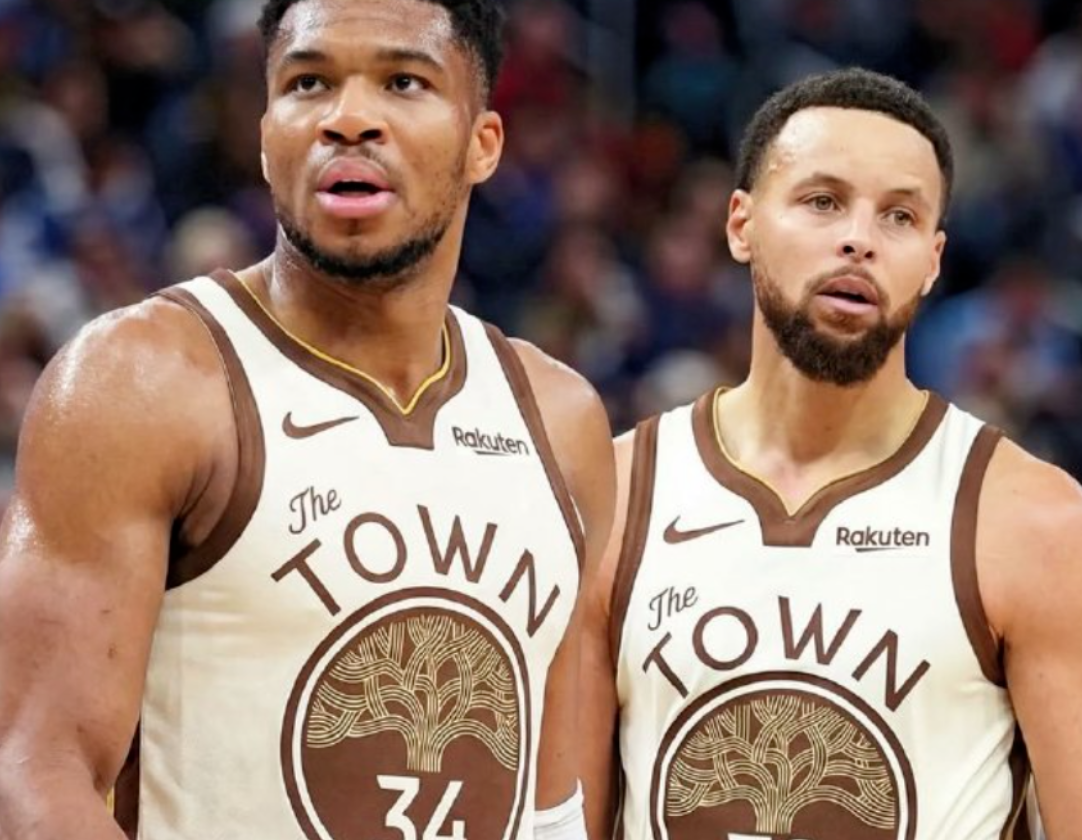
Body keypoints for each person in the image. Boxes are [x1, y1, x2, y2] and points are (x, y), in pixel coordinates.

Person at [0, 1, 614, 838]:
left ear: (484, 144)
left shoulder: (562, 420)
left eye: (403, 82)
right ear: (265, 138)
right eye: (308, 84)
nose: (348, 118)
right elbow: (33, 774)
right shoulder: (141, 381)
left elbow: (550, 810)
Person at [579, 68, 1081, 840]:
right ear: (741, 224)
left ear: (934, 260)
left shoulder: (1038, 524)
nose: (859, 239)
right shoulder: (613, 495)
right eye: (822, 202)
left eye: (900, 216)